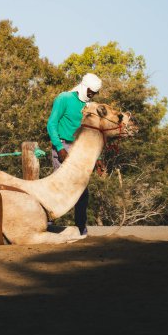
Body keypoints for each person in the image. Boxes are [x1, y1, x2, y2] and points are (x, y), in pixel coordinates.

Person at [47, 73, 102, 235]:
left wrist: (97, 158)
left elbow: (90, 133)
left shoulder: (90, 107)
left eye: (95, 93)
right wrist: (59, 147)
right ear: (84, 87)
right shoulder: (64, 98)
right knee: (61, 186)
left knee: (82, 190)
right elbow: (51, 124)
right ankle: (48, 223)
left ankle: (80, 227)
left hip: (81, 148)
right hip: (63, 145)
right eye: (91, 91)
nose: (92, 95)